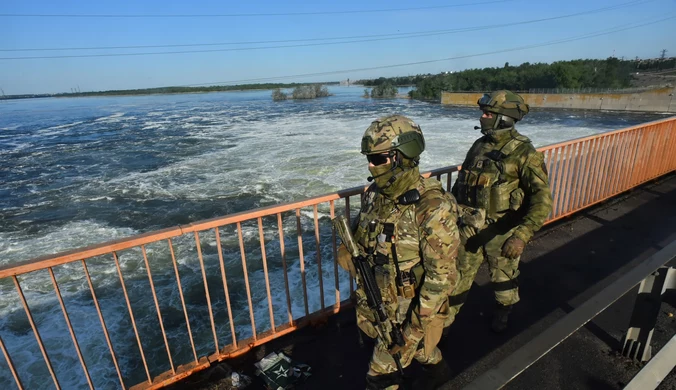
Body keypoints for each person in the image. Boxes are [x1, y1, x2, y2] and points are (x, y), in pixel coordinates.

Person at [335, 115, 460, 389]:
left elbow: (442, 279)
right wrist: (346, 246)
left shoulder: (431, 207)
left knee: (379, 376)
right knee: (424, 354)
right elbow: (361, 229)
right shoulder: (375, 194)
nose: (371, 166)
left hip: (411, 313)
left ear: (403, 156)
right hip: (378, 299)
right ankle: (440, 373)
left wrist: (411, 332)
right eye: (369, 158)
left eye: (378, 159)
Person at [448, 90, 553, 333]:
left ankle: (504, 311)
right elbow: (461, 183)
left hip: (502, 232)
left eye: (488, 113)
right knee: (457, 278)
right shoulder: (479, 145)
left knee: (503, 279)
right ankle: (444, 325)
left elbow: (542, 199)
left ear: (504, 118)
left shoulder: (525, 153)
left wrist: (522, 235)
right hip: (469, 229)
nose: (483, 117)